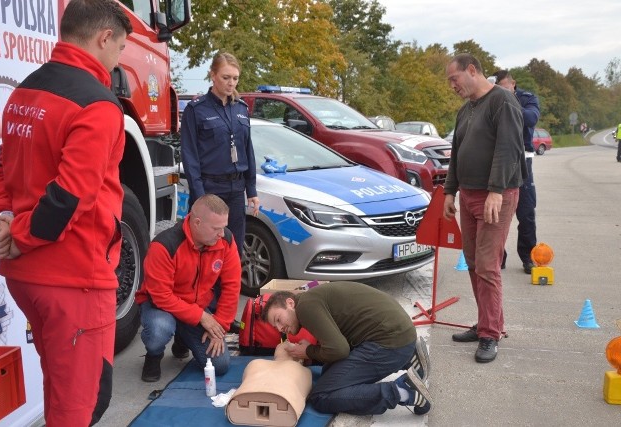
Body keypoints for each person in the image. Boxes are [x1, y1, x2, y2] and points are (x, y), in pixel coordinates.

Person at [0, 1, 132, 425]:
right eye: (119, 49)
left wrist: (6, 219)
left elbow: (1, 171)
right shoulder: (98, 105)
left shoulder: (24, 90)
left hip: (27, 278)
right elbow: (69, 198)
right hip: (74, 281)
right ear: (104, 38)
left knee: (61, 390)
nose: (118, 60)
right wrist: (18, 235)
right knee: (79, 406)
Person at [443, 54, 525, 363]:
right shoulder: (466, 111)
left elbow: (508, 148)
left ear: (472, 71)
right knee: (474, 261)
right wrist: (450, 192)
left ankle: (491, 334)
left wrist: (496, 191)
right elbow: (456, 153)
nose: (453, 86)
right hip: (468, 195)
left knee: (489, 265)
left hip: (496, 196)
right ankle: (487, 323)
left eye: (455, 79)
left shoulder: (502, 101)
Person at [261, 281, 432, 416]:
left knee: (321, 397)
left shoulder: (305, 307)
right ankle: (409, 359)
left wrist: (307, 351)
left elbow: (339, 350)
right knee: (328, 373)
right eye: (275, 326)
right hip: (399, 334)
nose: (280, 328)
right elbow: (339, 343)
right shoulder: (310, 299)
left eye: (278, 319)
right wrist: (312, 351)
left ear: (290, 303)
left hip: (390, 342)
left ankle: (403, 391)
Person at [135, 194, 241, 382]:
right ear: (197, 222)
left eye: (224, 227)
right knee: (159, 329)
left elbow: (232, 286)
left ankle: (182, 338)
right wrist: (202, 317)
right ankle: (154, 354)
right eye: (216, 228)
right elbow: (161, 296)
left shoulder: (226, 241)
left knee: (220, 365)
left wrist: (220, 326)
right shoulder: (164, 245)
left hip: (196, 308)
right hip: (161, 307)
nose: (222, 234)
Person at [180, 51, 259, 257]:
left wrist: (251, 190)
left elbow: (247, 149)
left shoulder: (241, 109)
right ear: (213, 75)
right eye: (226, 77)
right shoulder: (196, 110)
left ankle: (229, 290)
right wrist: (200, 197)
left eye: (235, 78)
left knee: (233, 250)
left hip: (236, 189)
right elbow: (190, 157)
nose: (231, 83)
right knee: (207, 250)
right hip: (210, 188)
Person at [491, 70, 541, 274]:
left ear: (513, 84)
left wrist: (508, 102)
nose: (500, 91)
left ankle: (528, 257)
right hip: (498, 160)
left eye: (504, 87)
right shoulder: (490, 100)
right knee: (495, 213)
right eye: (497, 88)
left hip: (523, 160)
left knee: (526, 213)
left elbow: (531, 118)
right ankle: (497, 256)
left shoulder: (527, 99)